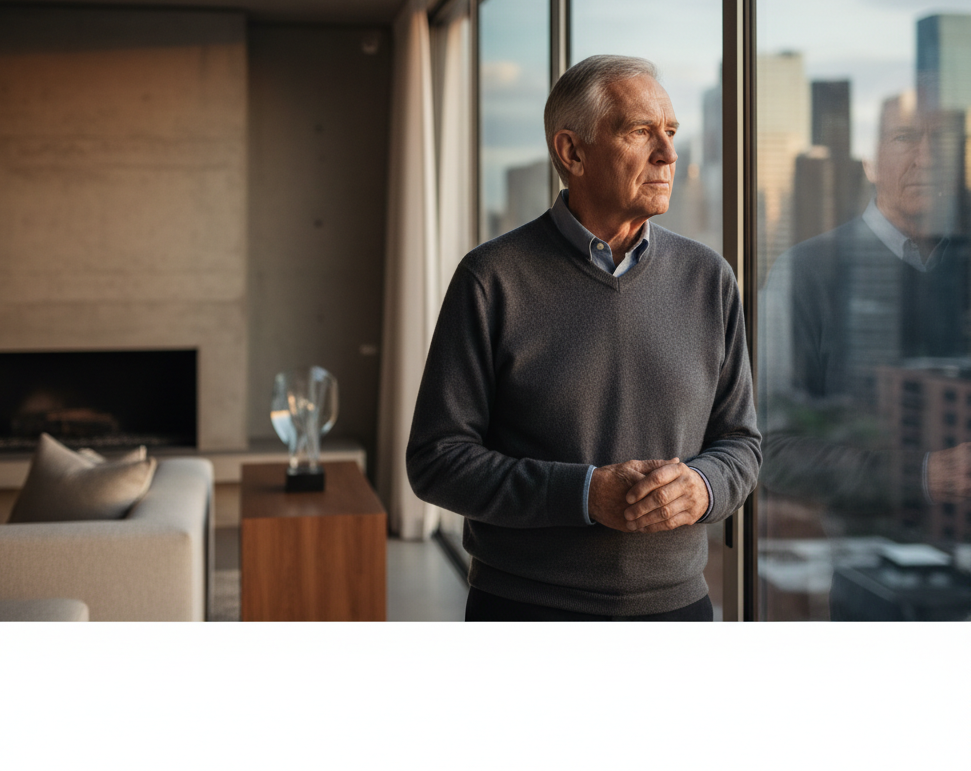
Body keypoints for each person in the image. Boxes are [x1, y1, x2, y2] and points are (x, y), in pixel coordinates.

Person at [406, 54, 761, 621]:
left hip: (679, 611)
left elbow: (742, 445)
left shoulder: (710, 278)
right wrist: (585, 494)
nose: (669, 154)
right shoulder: (491, 278)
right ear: (572, 152)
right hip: (525, 610)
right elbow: (436, 460)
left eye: (669, 132)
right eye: (641, 132)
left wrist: (702, 486)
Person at [760, 95, 971, 534]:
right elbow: (768, 448)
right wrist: (923, 476)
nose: (928, 158)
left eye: (944, 140)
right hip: (867, 569)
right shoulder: (806, 273)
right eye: (904, 138)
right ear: (870, 161)